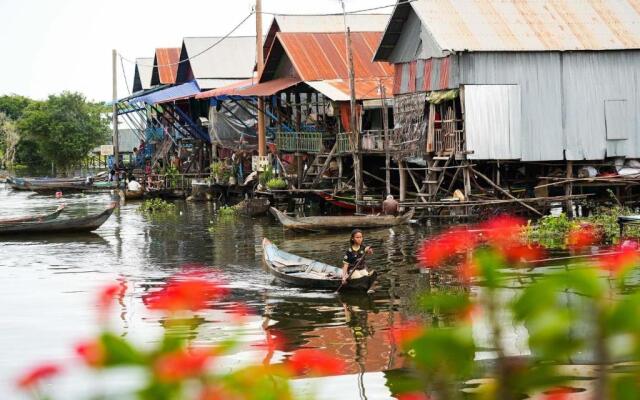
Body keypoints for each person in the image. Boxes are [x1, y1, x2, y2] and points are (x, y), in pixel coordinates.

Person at [342, 229, 377, 294]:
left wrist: (369, 250)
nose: (359, 239)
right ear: (353, 239)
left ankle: (367, 288)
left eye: (361, 237)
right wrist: (344, 277)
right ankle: (363, 288)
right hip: (353, 270)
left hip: (362, 268)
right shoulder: (349, 251)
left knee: (366, 276)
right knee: (360, 277)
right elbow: (345, 265)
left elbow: (370, 252)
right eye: (357, 237)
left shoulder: (363, 247)